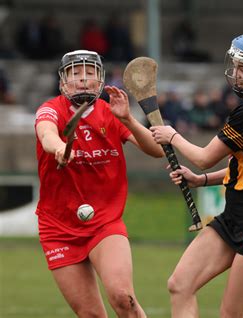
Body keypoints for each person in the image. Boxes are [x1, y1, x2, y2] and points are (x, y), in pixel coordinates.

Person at [150, 31, 243, 318]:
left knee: (233, 313)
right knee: (179, 285)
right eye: (235, 65)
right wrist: (200, 181)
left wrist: (173, 136)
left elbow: (205, 158)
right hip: (235, 215)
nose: (235, 73)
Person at [34, 49, 164, 317]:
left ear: (100, 79)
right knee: (91, 314)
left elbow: (156, 150)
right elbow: (46, 133)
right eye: (75, 73)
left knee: (123, 298)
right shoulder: (50, 109)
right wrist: (59, 147)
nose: (83, 79)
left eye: (90, 72)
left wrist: (127, 117)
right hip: (58, 227)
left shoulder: (111, 113)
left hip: (105, 221)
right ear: (62, 81)